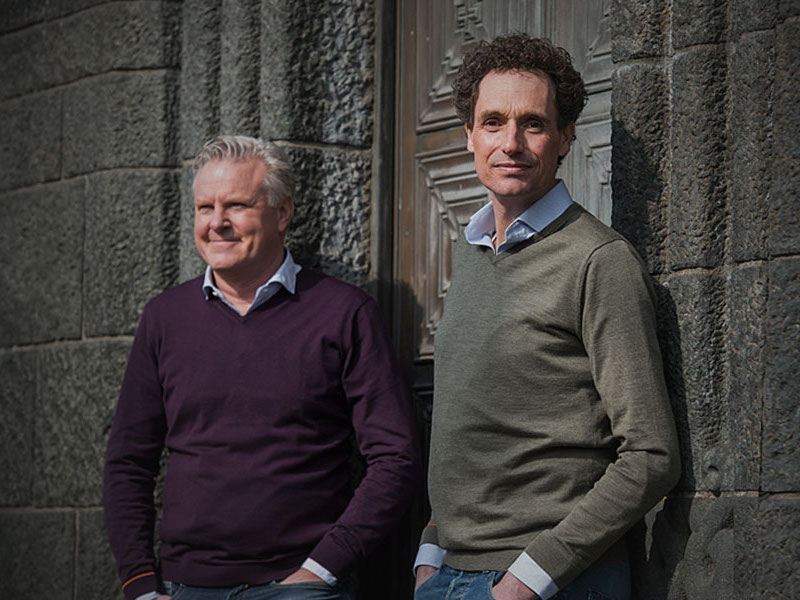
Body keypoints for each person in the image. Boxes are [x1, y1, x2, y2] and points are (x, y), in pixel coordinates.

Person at [413, 34, 680, 600]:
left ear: (564, 138)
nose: (511, 143)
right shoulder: (472, 251)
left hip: (548, 583)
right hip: (449, 575)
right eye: (493, 122)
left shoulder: (599, 261)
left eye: (532, 124)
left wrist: (526, 582)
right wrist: (431, 554)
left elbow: (651, 456)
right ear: (469, 135)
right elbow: (470, 428)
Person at [104, 135, 420, 600]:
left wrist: (322, 568)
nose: (216, 223)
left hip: (300, 586)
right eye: (204, 207)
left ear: (283, 212)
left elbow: (395, 457)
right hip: (185, 587)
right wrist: (139, 584)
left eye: (236, 205)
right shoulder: (163, 319)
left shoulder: (344, 313)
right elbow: (128, 462)